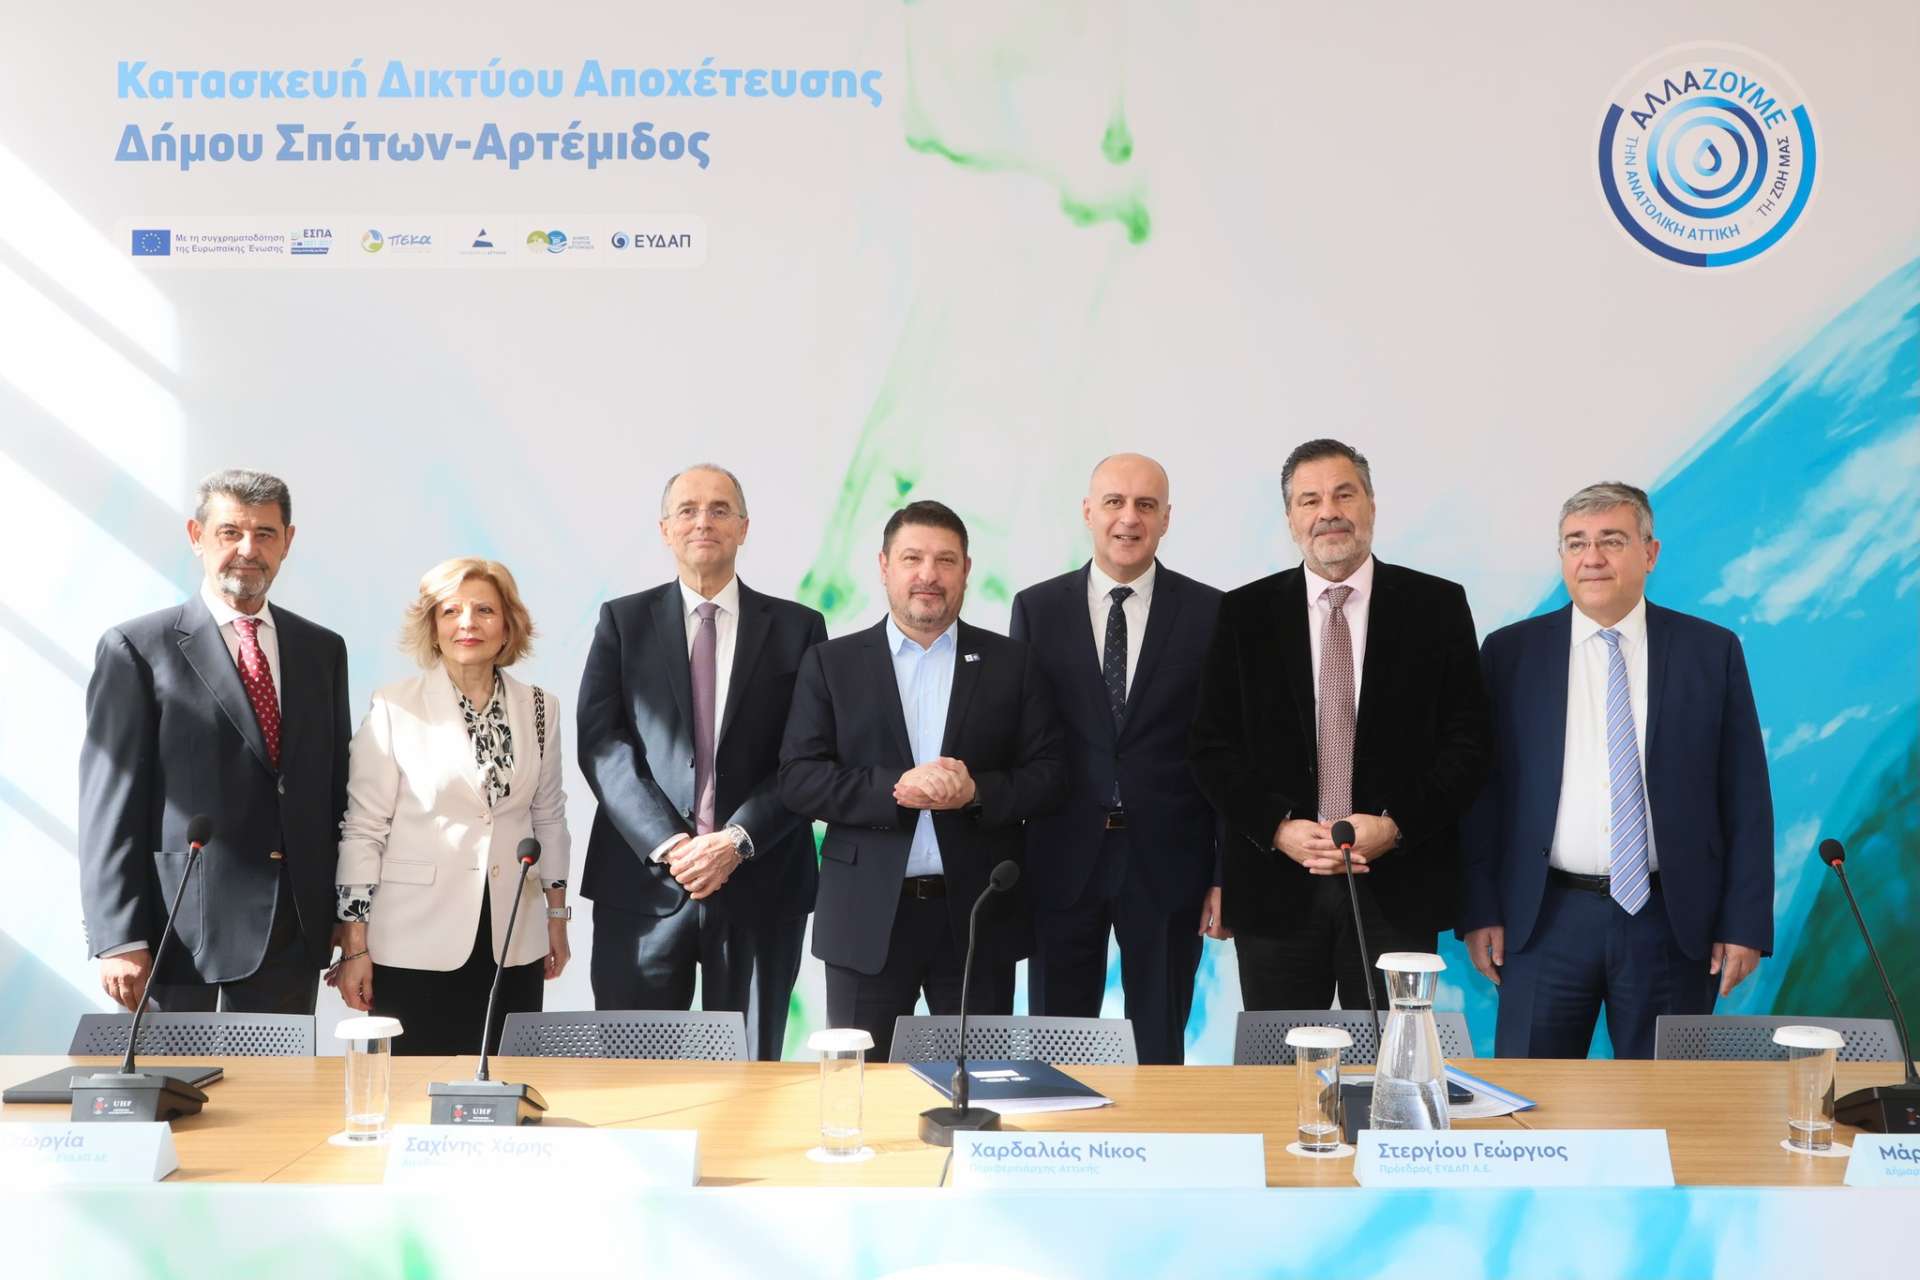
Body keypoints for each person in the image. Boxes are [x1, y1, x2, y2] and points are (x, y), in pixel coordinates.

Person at [1460, 482, 1772, 1058]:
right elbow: (1482, 796)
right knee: (1530, 1095)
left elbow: (1745, 796)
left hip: (1672, 921)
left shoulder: (1710, 651)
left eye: (1612, 540)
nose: (1593, 557)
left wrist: (1744, 923)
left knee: (1668, 1098)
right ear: (1562, 557)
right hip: (1543, 920)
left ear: (1650, 553)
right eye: (1576, 542)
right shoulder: (1509, 654)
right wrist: (1480, 909)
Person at [1189, 439, 1489, 1013]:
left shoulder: (1436, 606)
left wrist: (1395, 826)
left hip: (1395, 886)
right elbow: (1211, 748)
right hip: (1276, 888)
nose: (1328, 512)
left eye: (1344, 495)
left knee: (1391, 1059)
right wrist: (1277, 828)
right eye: (1310, 500)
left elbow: (1468, 744)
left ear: (1371, 505)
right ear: (1290, 518)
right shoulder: (1244, 613)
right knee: (1278, 1058)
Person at [779, 500, 1064, 1062]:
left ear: (966, 570)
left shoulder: (1013, 663)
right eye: (912, 558)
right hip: (865, 919)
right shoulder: (831, 663)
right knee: (860, 1083)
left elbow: (1050, 776)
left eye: (945, 560)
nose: (928, 575)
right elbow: (799, 778)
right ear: (884, 566)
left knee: (980, 1083)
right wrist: (895, 789)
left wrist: (976, 792)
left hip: (978, 915)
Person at [577, 465, 826, 1061]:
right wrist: (670, 844)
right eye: (687, 510)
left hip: (761, 883)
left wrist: (735, 840)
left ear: (743, 527)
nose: (703, 522)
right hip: (643, 887)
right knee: (632, 1071)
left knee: (752, 1072)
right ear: (665, 529)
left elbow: (809, 756)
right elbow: (603, 745)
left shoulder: (799, 628)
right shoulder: (622, 622)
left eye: (719, 509)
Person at [79, 468, 350, 1014]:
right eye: (230, 532)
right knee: (185, 1075)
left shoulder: (322, 650)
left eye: (265, 534)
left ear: (287, 542)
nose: (248, 549)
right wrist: (118, 936)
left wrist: (346, 917)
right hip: (183, 937)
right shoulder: (137, 649)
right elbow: (109, 805)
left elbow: (334, 792)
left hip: (295, 935)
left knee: (284, 1076)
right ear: (196, 536)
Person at [1009, 453, 1224, 1064]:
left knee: (1159, 1049)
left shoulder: (1210, 612)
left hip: (1169, 865)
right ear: (1088, 512)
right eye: (1114, 502)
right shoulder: (1037, 609)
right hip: (1061, 859)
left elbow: (1223, 753)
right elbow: (1021, 741)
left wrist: (1222, 873)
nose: (1129, 518)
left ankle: (1157, 1130)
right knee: (1055, 1049)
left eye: (1145, 505)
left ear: (1166, 519)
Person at [332, 558, 571, 1056]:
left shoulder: (541, 707)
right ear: (433, 626)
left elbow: (548, 816)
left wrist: (556, 917)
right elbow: (363, 829)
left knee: (508, 1083)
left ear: (507, 624)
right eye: (451, 611)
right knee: (412, 1088)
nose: (468, 623)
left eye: (485, 610)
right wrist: (355, 944)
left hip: (513, 937)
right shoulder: (394, 707)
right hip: (413, 941)